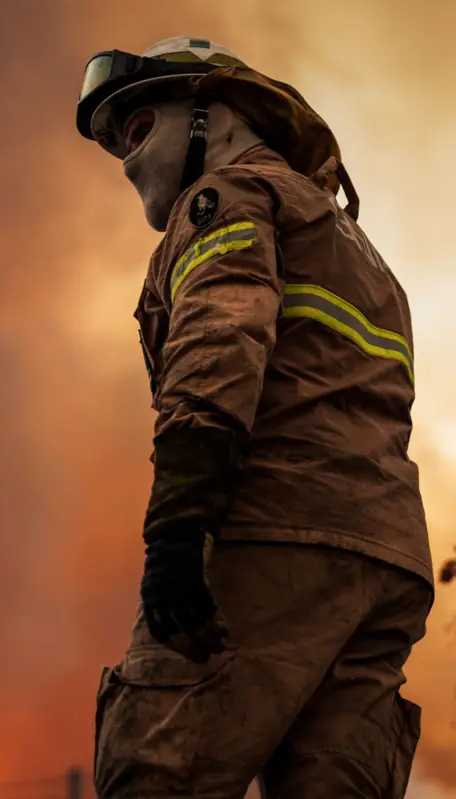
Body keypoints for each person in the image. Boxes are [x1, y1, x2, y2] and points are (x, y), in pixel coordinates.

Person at [76, 36, 435, 798]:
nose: (127, 158)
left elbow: (220, 343)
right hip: (383, 559)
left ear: (219, 113)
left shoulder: (231, 199)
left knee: (156, 768)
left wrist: (177, 528)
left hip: (272, 532)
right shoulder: (362, 253)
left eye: (139, 128)